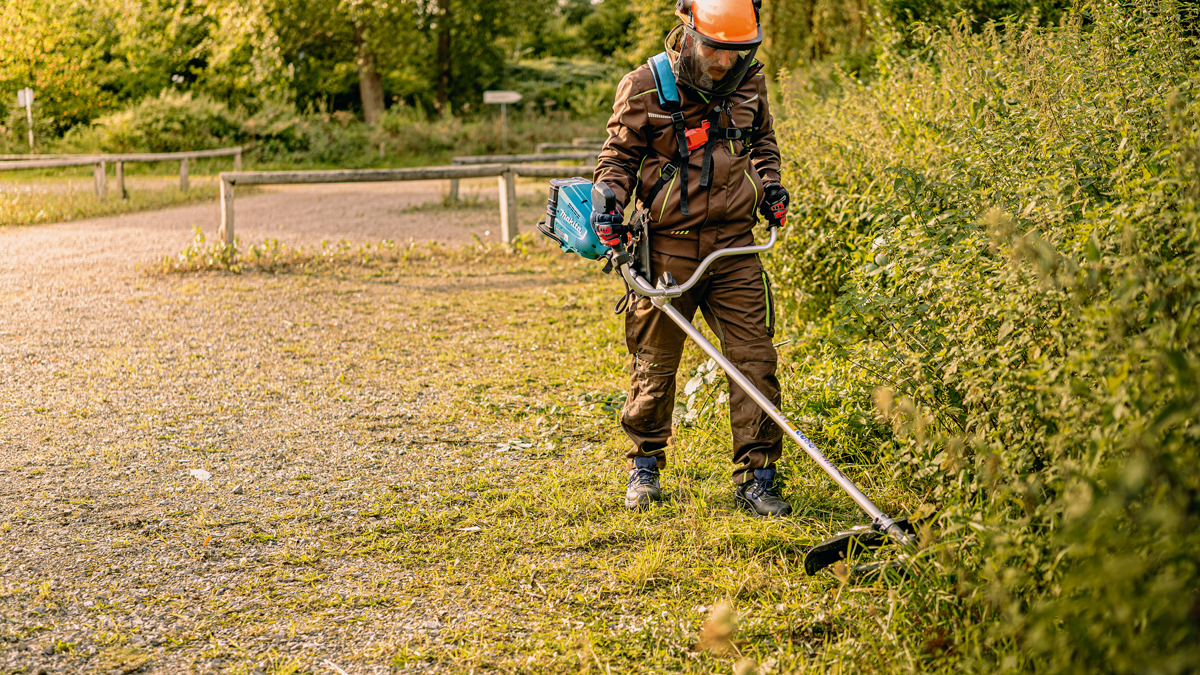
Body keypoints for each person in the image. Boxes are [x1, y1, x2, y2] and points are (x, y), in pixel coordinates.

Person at [591, 0, 792, 516]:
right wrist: (609, 201)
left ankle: (757, 478)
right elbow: (617, 159)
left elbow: (761, 141)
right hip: (667, 248)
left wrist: (770, 185)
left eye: (737, 53)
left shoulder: (750, 82)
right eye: (714, 51)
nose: (725, 64)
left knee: (755, 362)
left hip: (735, 247)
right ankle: (645, 467)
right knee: (654, 364)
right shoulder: (643, 86)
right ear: (688, 33)